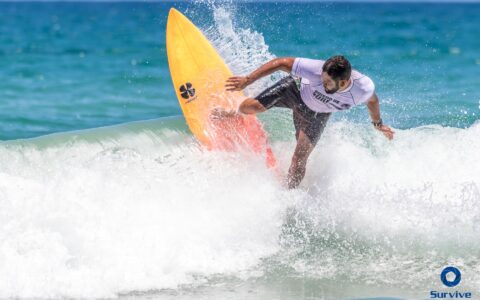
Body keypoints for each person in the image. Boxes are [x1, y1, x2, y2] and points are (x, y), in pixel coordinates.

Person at [213, 56, 395, 189]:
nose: (323, 85)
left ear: (344, 82)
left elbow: (373, 101)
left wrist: (377, 124)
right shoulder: (315, 70)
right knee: (251, 108)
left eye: (328, 83)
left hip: (317, 115)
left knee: (299, 160)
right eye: (322, 79)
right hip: (294, 91)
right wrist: (247, 80)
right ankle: (232, 113)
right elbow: (282, 63)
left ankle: (287, 194)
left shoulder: (362, 88)